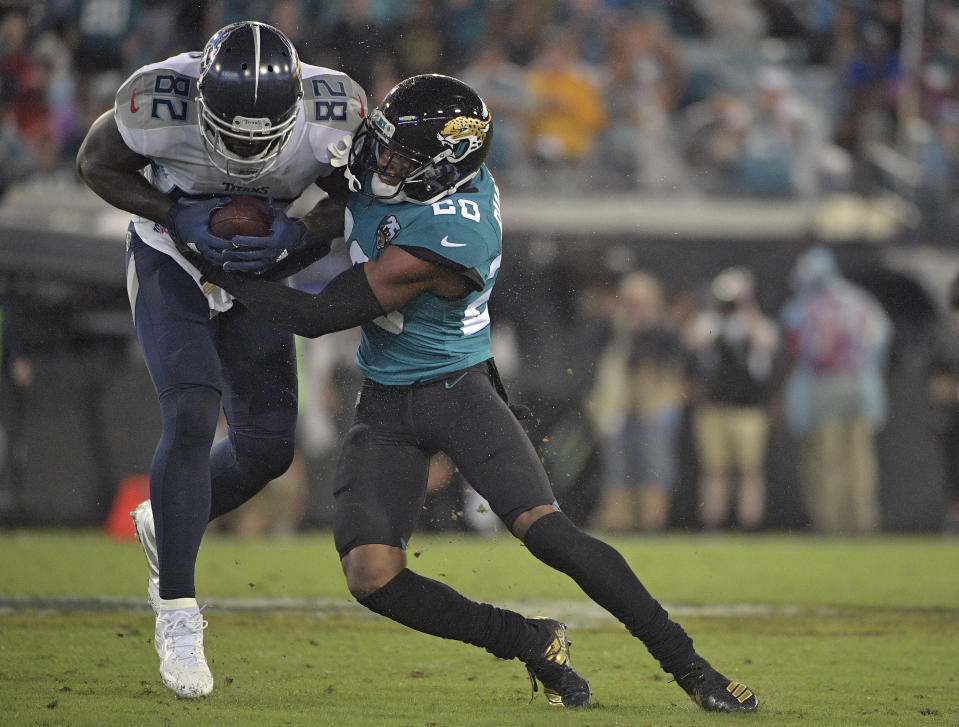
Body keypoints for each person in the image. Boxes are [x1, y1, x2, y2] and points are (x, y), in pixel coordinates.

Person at [195, 73, 759, 713]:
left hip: (456, 391)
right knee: (371, 575)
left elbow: (319, 315)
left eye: (403, 158)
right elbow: (338, 211)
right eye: (385, 144)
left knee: (549, 535)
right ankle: (529, 639)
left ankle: (691, 667)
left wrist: (209, 268)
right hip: (385, 402)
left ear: (444, 172)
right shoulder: (390, 165)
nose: (382, 161)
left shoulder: (450, 233)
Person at [74, 21, 367, 698]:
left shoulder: (337, 109)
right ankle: (177, 611)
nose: (243, 152)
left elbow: (355, 194)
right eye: (231, 134)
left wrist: (300, 229)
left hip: (265, 261)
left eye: (259, 138)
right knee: (192, 405)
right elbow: (95, 163)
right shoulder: (159, 95)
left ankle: (164, 516)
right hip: (171, 252)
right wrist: (173, 216)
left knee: (268, 447)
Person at [779, 246, 892, 533]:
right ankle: (863, 522)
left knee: (825, 460)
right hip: (858, 385)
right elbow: (880, 337)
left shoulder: (803, 306)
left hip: (821, 387)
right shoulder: (858, 300)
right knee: (860, 459)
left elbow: (795, 349)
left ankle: (830, 525)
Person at [587, 270, 686, 532]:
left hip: (653, 411)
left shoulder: (664, 329)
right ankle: (620, 525)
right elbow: (602, 368)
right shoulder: (612, 329)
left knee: (655, 470)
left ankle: (652, 526)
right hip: (617, 410)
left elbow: (670, 369)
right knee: (617, 473)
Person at [685, 267, 779, 531]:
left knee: (749, 469)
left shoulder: (757, 322)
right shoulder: (711, 321)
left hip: (748, 409)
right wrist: (714, 310)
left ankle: (749, 525)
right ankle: (713, 523)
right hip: (714, 407)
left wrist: (746, 308)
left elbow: (766, 343)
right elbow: (692, 340)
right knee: (714, 469)